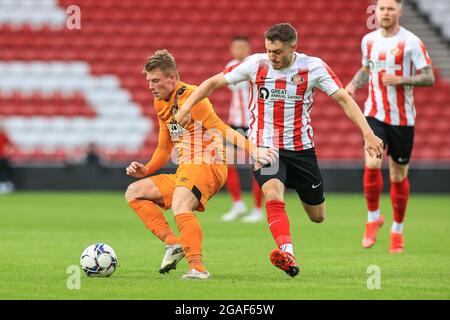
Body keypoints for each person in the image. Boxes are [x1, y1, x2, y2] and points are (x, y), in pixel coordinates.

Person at [175, 23, 384, 277]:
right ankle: (288, 254)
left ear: (293, 48)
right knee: (273, 193)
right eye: (268, 50)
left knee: (317, 216)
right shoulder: (256, 64)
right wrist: (186, 107)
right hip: (265, 147)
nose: (271, 57)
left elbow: (343, 99)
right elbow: (213, 82)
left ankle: (293, 233)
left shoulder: (313, 67)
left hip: (301, 150)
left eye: (277, 52)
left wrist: (368, 133)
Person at [124, 50, 275, 280]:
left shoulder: (192, 97)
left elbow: (220, 127)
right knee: (134, 193)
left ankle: (198, 269)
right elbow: (164, 148)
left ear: (172, 78)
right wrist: (146, 169)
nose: (151, 86)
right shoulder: (160, 103)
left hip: (208, 162)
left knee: (180, 204)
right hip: (186, 168)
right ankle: (173, 244)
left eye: (155, 80)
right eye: (149, 81)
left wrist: (253, 150)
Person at [345, 0, 435, 253]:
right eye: (381, 9)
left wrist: (401, 79)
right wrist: (353, 86)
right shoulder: (368, 40)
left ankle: (397, 229)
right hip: (374, 113)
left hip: (403, 119)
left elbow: (428, 77)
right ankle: (373, 218)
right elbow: (366, 69)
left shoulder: (411, 42)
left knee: (398, 176)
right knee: (372, 163)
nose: (385, 13)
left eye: (389, 9)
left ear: (399, 11)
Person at [221, 35, 264, 223]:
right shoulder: (229, 67)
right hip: (236, 122)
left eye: (242, 47)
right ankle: (238, 204)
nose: (239, 51)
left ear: (248, 49)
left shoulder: (255, 66)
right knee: (228, 162)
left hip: (254, 123)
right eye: (236, 47)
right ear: (231, 50)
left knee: (257, 164)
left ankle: (257, 209)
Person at [0, 121, 14, 194]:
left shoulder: (3, 135)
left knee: (4, 172)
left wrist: (7, 152)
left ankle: (5, 185)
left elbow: (10, 144)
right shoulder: (3, 135)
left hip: (2, 157)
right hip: (2, 157)